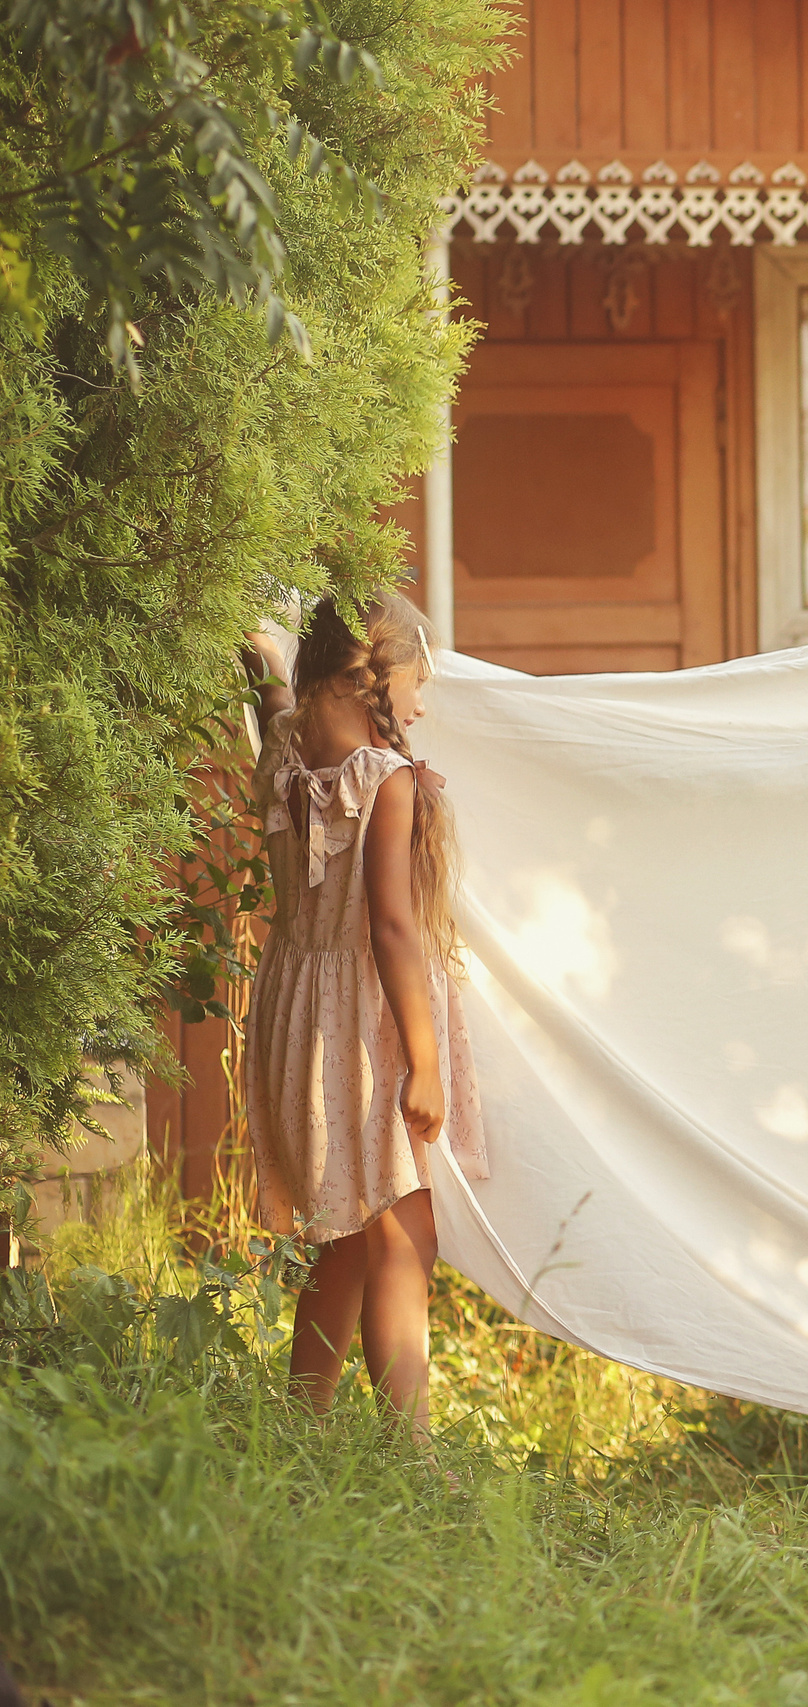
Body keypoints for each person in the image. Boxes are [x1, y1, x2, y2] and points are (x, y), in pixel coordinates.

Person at [240, 594, 487, 1434]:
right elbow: (390, 928)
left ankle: (300, 1424)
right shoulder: (387, 783)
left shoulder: (283, 750)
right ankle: (412, 1452)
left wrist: (266, 668)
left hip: (293, 1014)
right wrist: (424, 1060)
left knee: (346, 1233)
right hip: (363, 1034)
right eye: (417, 681)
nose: (421, 705)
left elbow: (276, 705)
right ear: (366, 677)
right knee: (402, 1236)